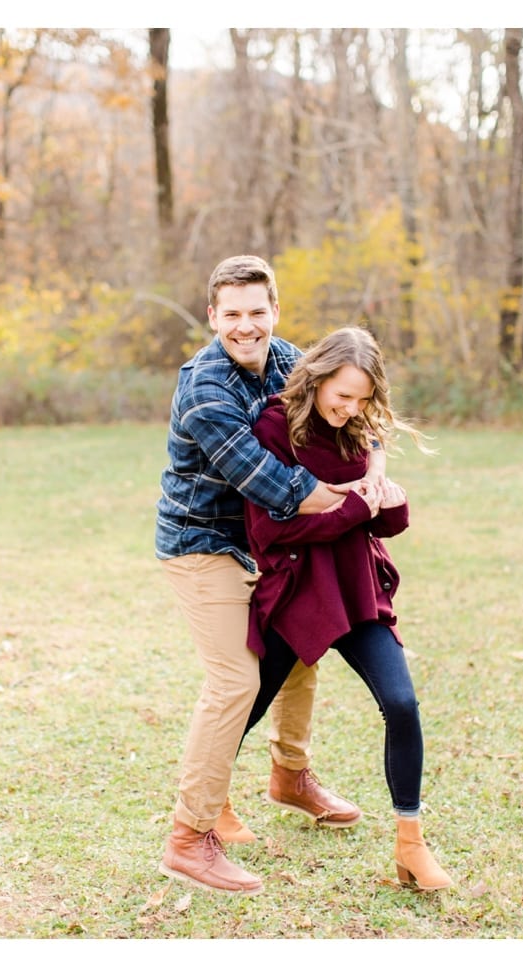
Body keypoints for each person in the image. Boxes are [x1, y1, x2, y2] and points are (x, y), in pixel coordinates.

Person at [156, 256, 383, 895]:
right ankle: (188, 838)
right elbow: (272, 482)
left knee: (304, 646)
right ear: (213, 317)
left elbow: (359, 410)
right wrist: (359, 500)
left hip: (267, 545)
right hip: (204, 544)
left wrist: (375, 467)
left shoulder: (291, 362)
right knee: (235, 680)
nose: (246, 326)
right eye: (232, 314)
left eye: (257, 311)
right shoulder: (204, 388)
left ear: (275, 311)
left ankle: (289, 777)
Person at [238, 326, 453, 891]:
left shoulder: (358, 432)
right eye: (342, 395)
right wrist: (355, 506)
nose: (350, 408)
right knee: (246, 706)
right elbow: (270, 529)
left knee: (402, 703)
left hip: (356, 589)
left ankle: (410, 843)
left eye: (362, 399)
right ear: (317, 377)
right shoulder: (272, 428)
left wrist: (389, 501)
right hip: (297, 593)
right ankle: (204, 811)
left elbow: (380, 522)